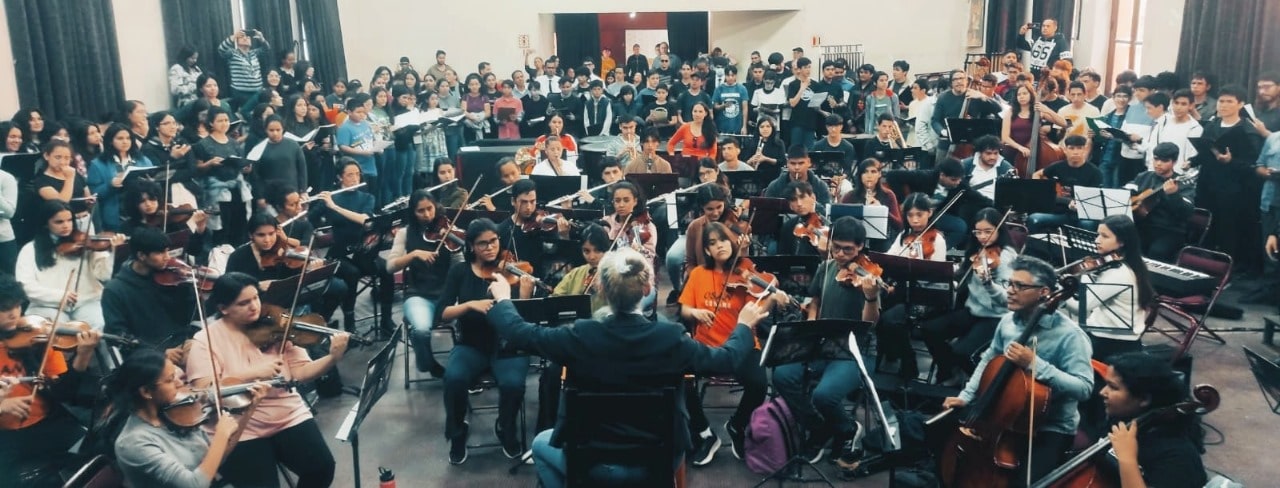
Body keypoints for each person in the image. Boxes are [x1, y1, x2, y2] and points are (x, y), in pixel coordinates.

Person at [487, 245, 764, 487]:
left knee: (540, 445)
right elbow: (726, 359)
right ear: (646, 289)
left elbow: (522, 333)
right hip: (657, 460)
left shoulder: (579, 335)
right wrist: (742, 325)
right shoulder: (670, 339)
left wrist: (502, 299)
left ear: (601, 288)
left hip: (591, 461)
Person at [941, 255, 1094, 485]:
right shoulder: (1007, 322)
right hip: (1002, 415)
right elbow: (988, 360)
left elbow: (1084, 388)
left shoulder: (1071, 336)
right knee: (942, 438)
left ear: (1044, 292)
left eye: (1019, 286)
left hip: (1050, 427)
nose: (1010, 291)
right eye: (1009, 284)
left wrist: (1035, 364)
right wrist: (966, 396)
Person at [185, 272, 344, 486]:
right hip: (239, 424)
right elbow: (203, 392)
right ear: (223, 308)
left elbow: (301, 372)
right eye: (244, 303)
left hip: (286, 413)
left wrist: (332, 358)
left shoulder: (275, 324)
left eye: (256, 298)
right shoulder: (204, 341)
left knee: (322, 467)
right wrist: (253, 373)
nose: (254, 306)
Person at [774, 216, 881, 465]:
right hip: (823, 343)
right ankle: (819, 426)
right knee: (782, 375)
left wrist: (871, 297)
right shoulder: (826, 267)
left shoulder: (868, 275)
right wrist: (812, 322)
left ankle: (846, 429)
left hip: (855, 351)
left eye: (848, 249)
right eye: (836, 247)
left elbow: (871, 323)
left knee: (824, 395)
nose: (841, 254)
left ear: (861, 246)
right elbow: (815, 301)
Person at [679, 222, 785, 465]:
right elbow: (684, 308)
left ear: (733, 242)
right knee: (678, 377)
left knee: (759, 384)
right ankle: (705, 432)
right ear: (706, 250)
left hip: (743, 346)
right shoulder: (698, 274)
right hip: (705, 345)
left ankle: (737, 424)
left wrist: (772, 299)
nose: (719, 246)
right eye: (712, 243)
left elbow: (756, 310)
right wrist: (695, 312)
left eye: (723, 241)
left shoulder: (746, 274)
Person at [440, 218, 535, 463]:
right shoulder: (459, 271)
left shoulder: (510, 270)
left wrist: (524, 294)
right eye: (483, 244)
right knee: (454, 379)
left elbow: (525, 319)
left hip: (508, 345)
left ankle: (505, 427)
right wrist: (470, 305)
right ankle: (458, 432)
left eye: (494, 241)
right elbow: (441, 312)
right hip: (472, 343)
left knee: (513, 384)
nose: (490, 247)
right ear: (471, 246)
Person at [108, 348, 266, 488]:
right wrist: (220, 436)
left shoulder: (177, 414)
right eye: (170, 380)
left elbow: (215, 459)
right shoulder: (133, 444)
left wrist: (248, 412)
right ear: (146, 392)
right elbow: (195, 484)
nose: (179, 383)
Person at [0, 274, 101, 483]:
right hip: (6, 435)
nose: (13, 315)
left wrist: (82, 356)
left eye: (17, 306)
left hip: (48, 420)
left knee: (96, 452)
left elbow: (65, 392)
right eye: (4, 308)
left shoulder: (35, 341)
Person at [922, 208, 1018, 386]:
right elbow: (963, 277)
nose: (982, 236)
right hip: (972, 310)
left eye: (988, 231)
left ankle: (984, 386)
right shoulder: (976, 250)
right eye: (978, 231)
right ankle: (949, 372)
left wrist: (989, 284)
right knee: (929, 329)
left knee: (962, 352)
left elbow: (1007, 300)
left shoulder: (1005, 258)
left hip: (995, 317)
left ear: (999, 230)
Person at [1095, 352, 1208, 488]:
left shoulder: (1178, 457)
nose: (1102, 392)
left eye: (1113, 387)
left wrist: (1127, 459)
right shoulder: (1120, 421)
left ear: (1144, 399)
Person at [16, 200, 123, 329]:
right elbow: (25, 285)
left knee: (98, 325)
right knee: (58, 331)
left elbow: (103, 275)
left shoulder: (86, 243)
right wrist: (59, 295)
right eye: (59, 222)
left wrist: (112, 252)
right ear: (45, 224)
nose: (66, 226)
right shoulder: (30, 249)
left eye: (69, 220)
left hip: (86, 301)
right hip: (47, 305)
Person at [1061, 215, 1153, 359]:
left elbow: (1081, 309)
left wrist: (1058, 294)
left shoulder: (1119, 273)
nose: (1097, 240)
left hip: (1113, 343)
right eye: (1098, 234)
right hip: (1106, 333)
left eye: (1104, 236)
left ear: (1122, 241)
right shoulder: (1128, 264)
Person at [386, 190, 457, 377]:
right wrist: (414, 254)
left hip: (448, 295)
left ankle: (464, 368)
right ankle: (428, 364)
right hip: (418, 295)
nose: (427, 215)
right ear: (413, 212)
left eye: (430, 209)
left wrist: (456, 243)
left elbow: (460, 266)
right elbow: (390, 267)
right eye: (421, 211)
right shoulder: (404, 233)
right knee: (421, 331)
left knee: (472, 322)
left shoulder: (447, 228)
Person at [102, 227, 200, 356]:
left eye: (167, 251)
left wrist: (187, 288)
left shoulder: (172, 278)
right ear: (141, 256)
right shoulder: (114, 290)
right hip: (148, 355)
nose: (167, 257)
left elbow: (189, 315)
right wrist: (159, 352)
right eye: (160, 253)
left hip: (182, 342)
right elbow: (118, 335)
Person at [1124, 143, 1195, 262]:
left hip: (1170, 230)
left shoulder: (1183, 184)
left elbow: (1186, 213)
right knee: (1121, 240)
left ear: (1174, 162)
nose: (1158, 163)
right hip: (1143, 225)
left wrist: (1174, 195)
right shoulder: (1144, 176)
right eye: (1156, 159)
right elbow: (1125, 190)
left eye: (1164, 160)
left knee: (1157, 251)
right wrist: (1132, 196)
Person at [194, 107, 252, 246]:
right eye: (220, 120)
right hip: (216, 189)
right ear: (211, 123)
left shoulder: (233, 142)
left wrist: (245, 168)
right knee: (221, 227)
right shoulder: (203, 144)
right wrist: (210, 163)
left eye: (226, 120)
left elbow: (239, 161)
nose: (224, 123)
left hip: (236, 187)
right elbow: (197, 168)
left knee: (239, 223)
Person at [1026, 135, 1104, 234]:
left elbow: (1095, 200)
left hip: (1082, 215)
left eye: (1080, 148)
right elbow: (1037, 174)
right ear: (1065, 150)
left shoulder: (1095, 172)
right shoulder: (1057, 166)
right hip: (1059, 213)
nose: (1076, 152)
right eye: (1071, 148)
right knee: (1034, 218)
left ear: (1085, 150)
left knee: (1087, 224)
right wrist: (1041, 190)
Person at [218, 29, 271, 110]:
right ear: (237, 41)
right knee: (246, 114)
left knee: (260, 112)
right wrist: (234, 36)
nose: (246, 38)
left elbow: (266, 49)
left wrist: (261, 38)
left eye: (248, 37)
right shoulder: (233, 53)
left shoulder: (254, 53)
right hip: (241, 92)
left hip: (258, 91)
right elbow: (221, 49)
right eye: (242, 37)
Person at [763, 145, 832, 205]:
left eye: (801, 163)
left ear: (809, 162)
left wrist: (814, 205)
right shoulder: (775, 187)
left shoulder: (821, 187)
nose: (797, 167)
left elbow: (826, 215)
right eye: (793, 163)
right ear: (787, 163)